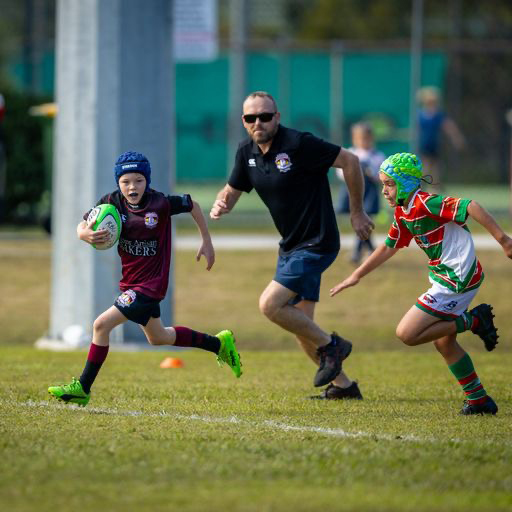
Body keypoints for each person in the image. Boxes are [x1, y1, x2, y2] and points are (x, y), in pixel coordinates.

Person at [210, 91, 374, 400]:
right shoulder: (246, 152)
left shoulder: (300, 144)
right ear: (244, 122)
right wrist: (222, 204)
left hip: (318, 241)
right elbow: (231, 190)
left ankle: (332, 346)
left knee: (270, 305)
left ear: (277, 117)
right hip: (290, 246)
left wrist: (356, 211)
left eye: (265, 116)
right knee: (301, 326)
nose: (258, 122)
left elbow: (350, 161)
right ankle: (345, 387)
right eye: (251, 118)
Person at [48, 151, 242, 407]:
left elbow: (192, 204)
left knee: (100, 326)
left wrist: (206, 240)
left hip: (150, 285)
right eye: (126, 181)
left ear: (147, 181)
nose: (132, 186)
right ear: (118, 182)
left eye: (139, 180)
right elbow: (83, 223)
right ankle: (219, 344)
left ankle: (83, 388)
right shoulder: (110, 203)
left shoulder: (160, 203)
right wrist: (84, 235)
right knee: (158, 337)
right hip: (131, 282)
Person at [330, 152, 512, 415]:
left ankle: (474, 321)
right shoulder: (404, 212)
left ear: (405, 183)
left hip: (457, 280)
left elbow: (471, 205)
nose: (384, 191)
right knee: (444, 342)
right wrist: (356, 275)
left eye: (389, 184)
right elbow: (389, 246)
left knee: (407, 333)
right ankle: (479, 400)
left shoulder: (426, 203)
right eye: (382, 184)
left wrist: (504, 240)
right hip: (445, 278)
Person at [335, 122, 385, 263]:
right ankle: (370, 251)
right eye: (360, 138)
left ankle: (358, 253)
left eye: (366, 138)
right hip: (353, 192)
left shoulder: (377, 156)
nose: (363, 142)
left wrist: (371, 173)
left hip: (369, 193)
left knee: (365, 222)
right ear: (354, 139)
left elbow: (380, 174)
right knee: (358, 222)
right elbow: (340, 172)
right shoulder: (350, 153)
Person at [417, 86, 465, 190]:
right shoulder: (420, 114)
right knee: (426, 166)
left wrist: (456, 138)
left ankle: (435, 186)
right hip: (425, 143)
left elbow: (448, 126)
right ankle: (422, 185)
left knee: (435, 167)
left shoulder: (438, 114)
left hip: (434, 144)